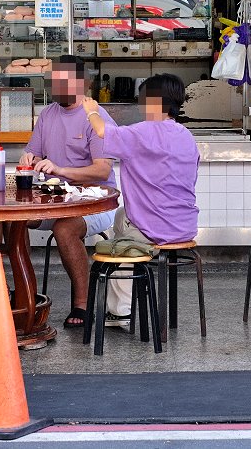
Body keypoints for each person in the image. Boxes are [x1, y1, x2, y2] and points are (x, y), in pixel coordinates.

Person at [83, 74, 200, 327]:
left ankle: (121, 311)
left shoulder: (142, 132)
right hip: (185, 224)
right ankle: (125, 297)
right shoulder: (186, 135)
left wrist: (92, 110)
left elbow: (103, 132)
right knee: (121, 217)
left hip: (152, 227)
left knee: (121, 243)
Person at [21, 55, 118, 329]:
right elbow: (32, 152)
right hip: (56, 199)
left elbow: (101, 170)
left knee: (65, 229)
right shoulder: (48, 113)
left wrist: (61, 170)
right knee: (15, 219)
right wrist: (28, 159)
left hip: (96, 202)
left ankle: (82, 304)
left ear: (80, 83)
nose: (56, 87)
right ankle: (25, 292)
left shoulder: (96, 118)